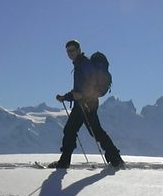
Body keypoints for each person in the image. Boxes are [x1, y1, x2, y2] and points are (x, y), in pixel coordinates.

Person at [51, 39, 124, 169]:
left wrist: (82, 96)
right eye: (68, 51)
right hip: (83, 103)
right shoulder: (80, 64)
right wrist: (65, 97)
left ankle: (116, 159)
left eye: (72, 50)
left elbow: (91, 85)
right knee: (78, 130)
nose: (70, 53)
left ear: (79, 50)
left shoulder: (84, 64)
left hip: (87, 104)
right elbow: (78, 90)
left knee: (90, 131)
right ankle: (115, 159)